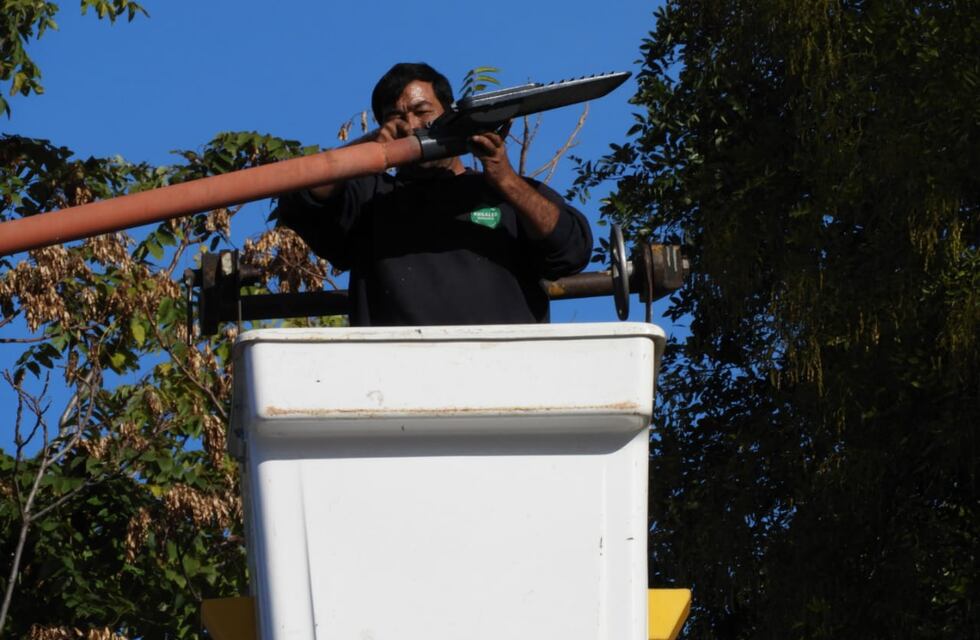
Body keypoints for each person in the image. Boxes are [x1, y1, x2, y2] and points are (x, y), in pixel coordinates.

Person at [275, 62, 593, 326]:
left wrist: (505, 178)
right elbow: (300, 197)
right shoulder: (369, 198)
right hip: (397, 385)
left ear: (449, 113)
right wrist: (368, 150)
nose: (412, 126)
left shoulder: (501, 190)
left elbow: (570, 249)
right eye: (396, 118)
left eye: (422, 111)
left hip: (506, 378)